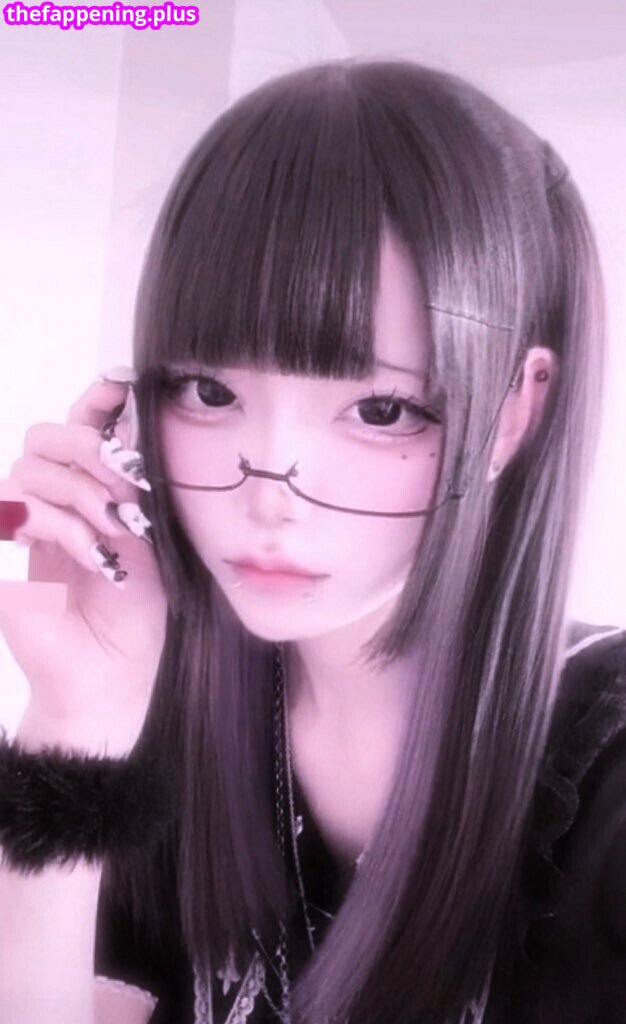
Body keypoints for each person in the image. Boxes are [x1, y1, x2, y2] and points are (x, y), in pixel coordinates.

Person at [0, 57, 624, 1024]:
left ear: (514, 409)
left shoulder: (605, 787)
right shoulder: (173, 722)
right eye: (210, 391)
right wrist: (75, 714)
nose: (270, 495)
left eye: (380, 410)